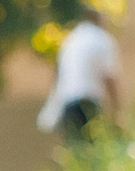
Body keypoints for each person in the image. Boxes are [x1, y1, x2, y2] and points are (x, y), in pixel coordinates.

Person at [38, 8, 121, 139]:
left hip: (67, 105)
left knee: (74, 149)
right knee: (91, 150)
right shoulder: (102, 39)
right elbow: (109, 78)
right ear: (99, 19)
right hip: (88, 103)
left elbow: (57, 76)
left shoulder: (70, 40)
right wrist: (117, 112)